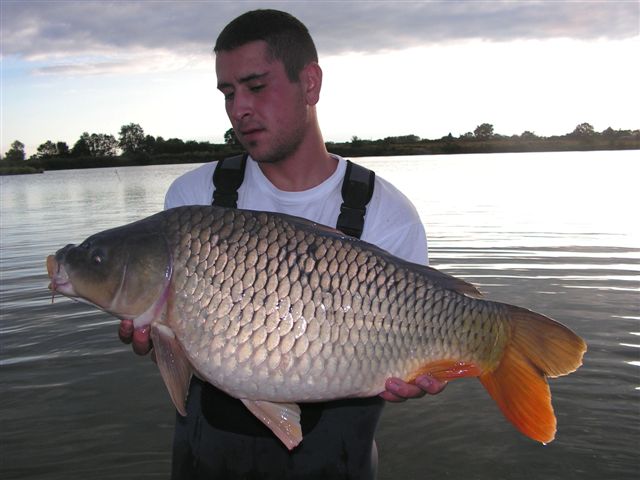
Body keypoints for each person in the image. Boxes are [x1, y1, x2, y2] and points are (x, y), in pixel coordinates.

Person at [118, 9, 446, 479]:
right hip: (209, 459)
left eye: (255, 86)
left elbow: (418, 345)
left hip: (337, 463)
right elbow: (175, 347)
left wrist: (424, 370)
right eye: (228, 93)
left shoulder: (386, 214)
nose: (239, 109)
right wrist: (159, 338)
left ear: (309, 83)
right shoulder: (193, 199)